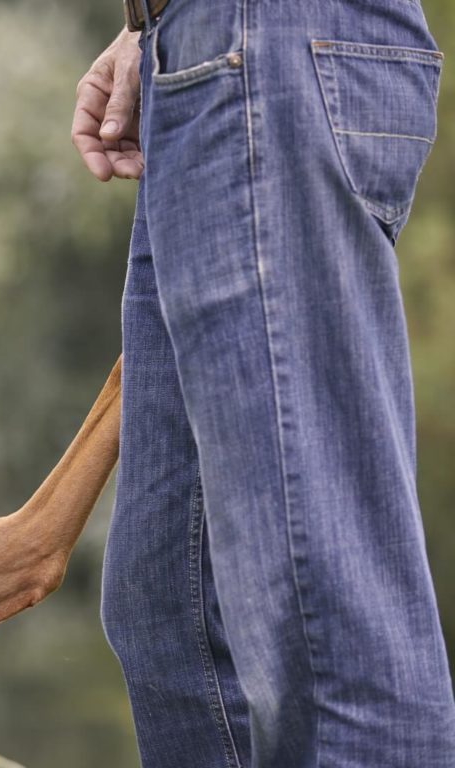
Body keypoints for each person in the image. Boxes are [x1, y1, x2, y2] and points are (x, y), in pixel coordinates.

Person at [73, 0, 455, 765]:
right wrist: (148, 28)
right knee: (172, 612)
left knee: (324, 633)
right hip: (200, 51)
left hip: (263, 47)